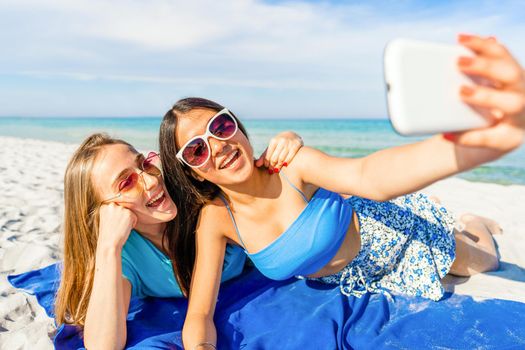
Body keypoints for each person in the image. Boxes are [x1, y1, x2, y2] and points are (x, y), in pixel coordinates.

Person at [157, 34, 525, 349]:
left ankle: (474, 222)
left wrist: (485, 142)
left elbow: (370, 176)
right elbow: (200, 313)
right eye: (196, 149)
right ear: (192, 171)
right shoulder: (215, 220)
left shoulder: (290, 166)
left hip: (395, 236)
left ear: (236, 125)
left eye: (220, 126)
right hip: (356, 279)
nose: (217, 146)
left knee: (483, 261)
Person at [53, 130, 303, 349]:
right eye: (127, 182)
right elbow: (104, 346)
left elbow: (255, 185)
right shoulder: (123, 255)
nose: (151, 180)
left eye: (145, 164)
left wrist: (287, 144)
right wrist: (108, 247)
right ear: (104, 211)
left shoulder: (192, 191)